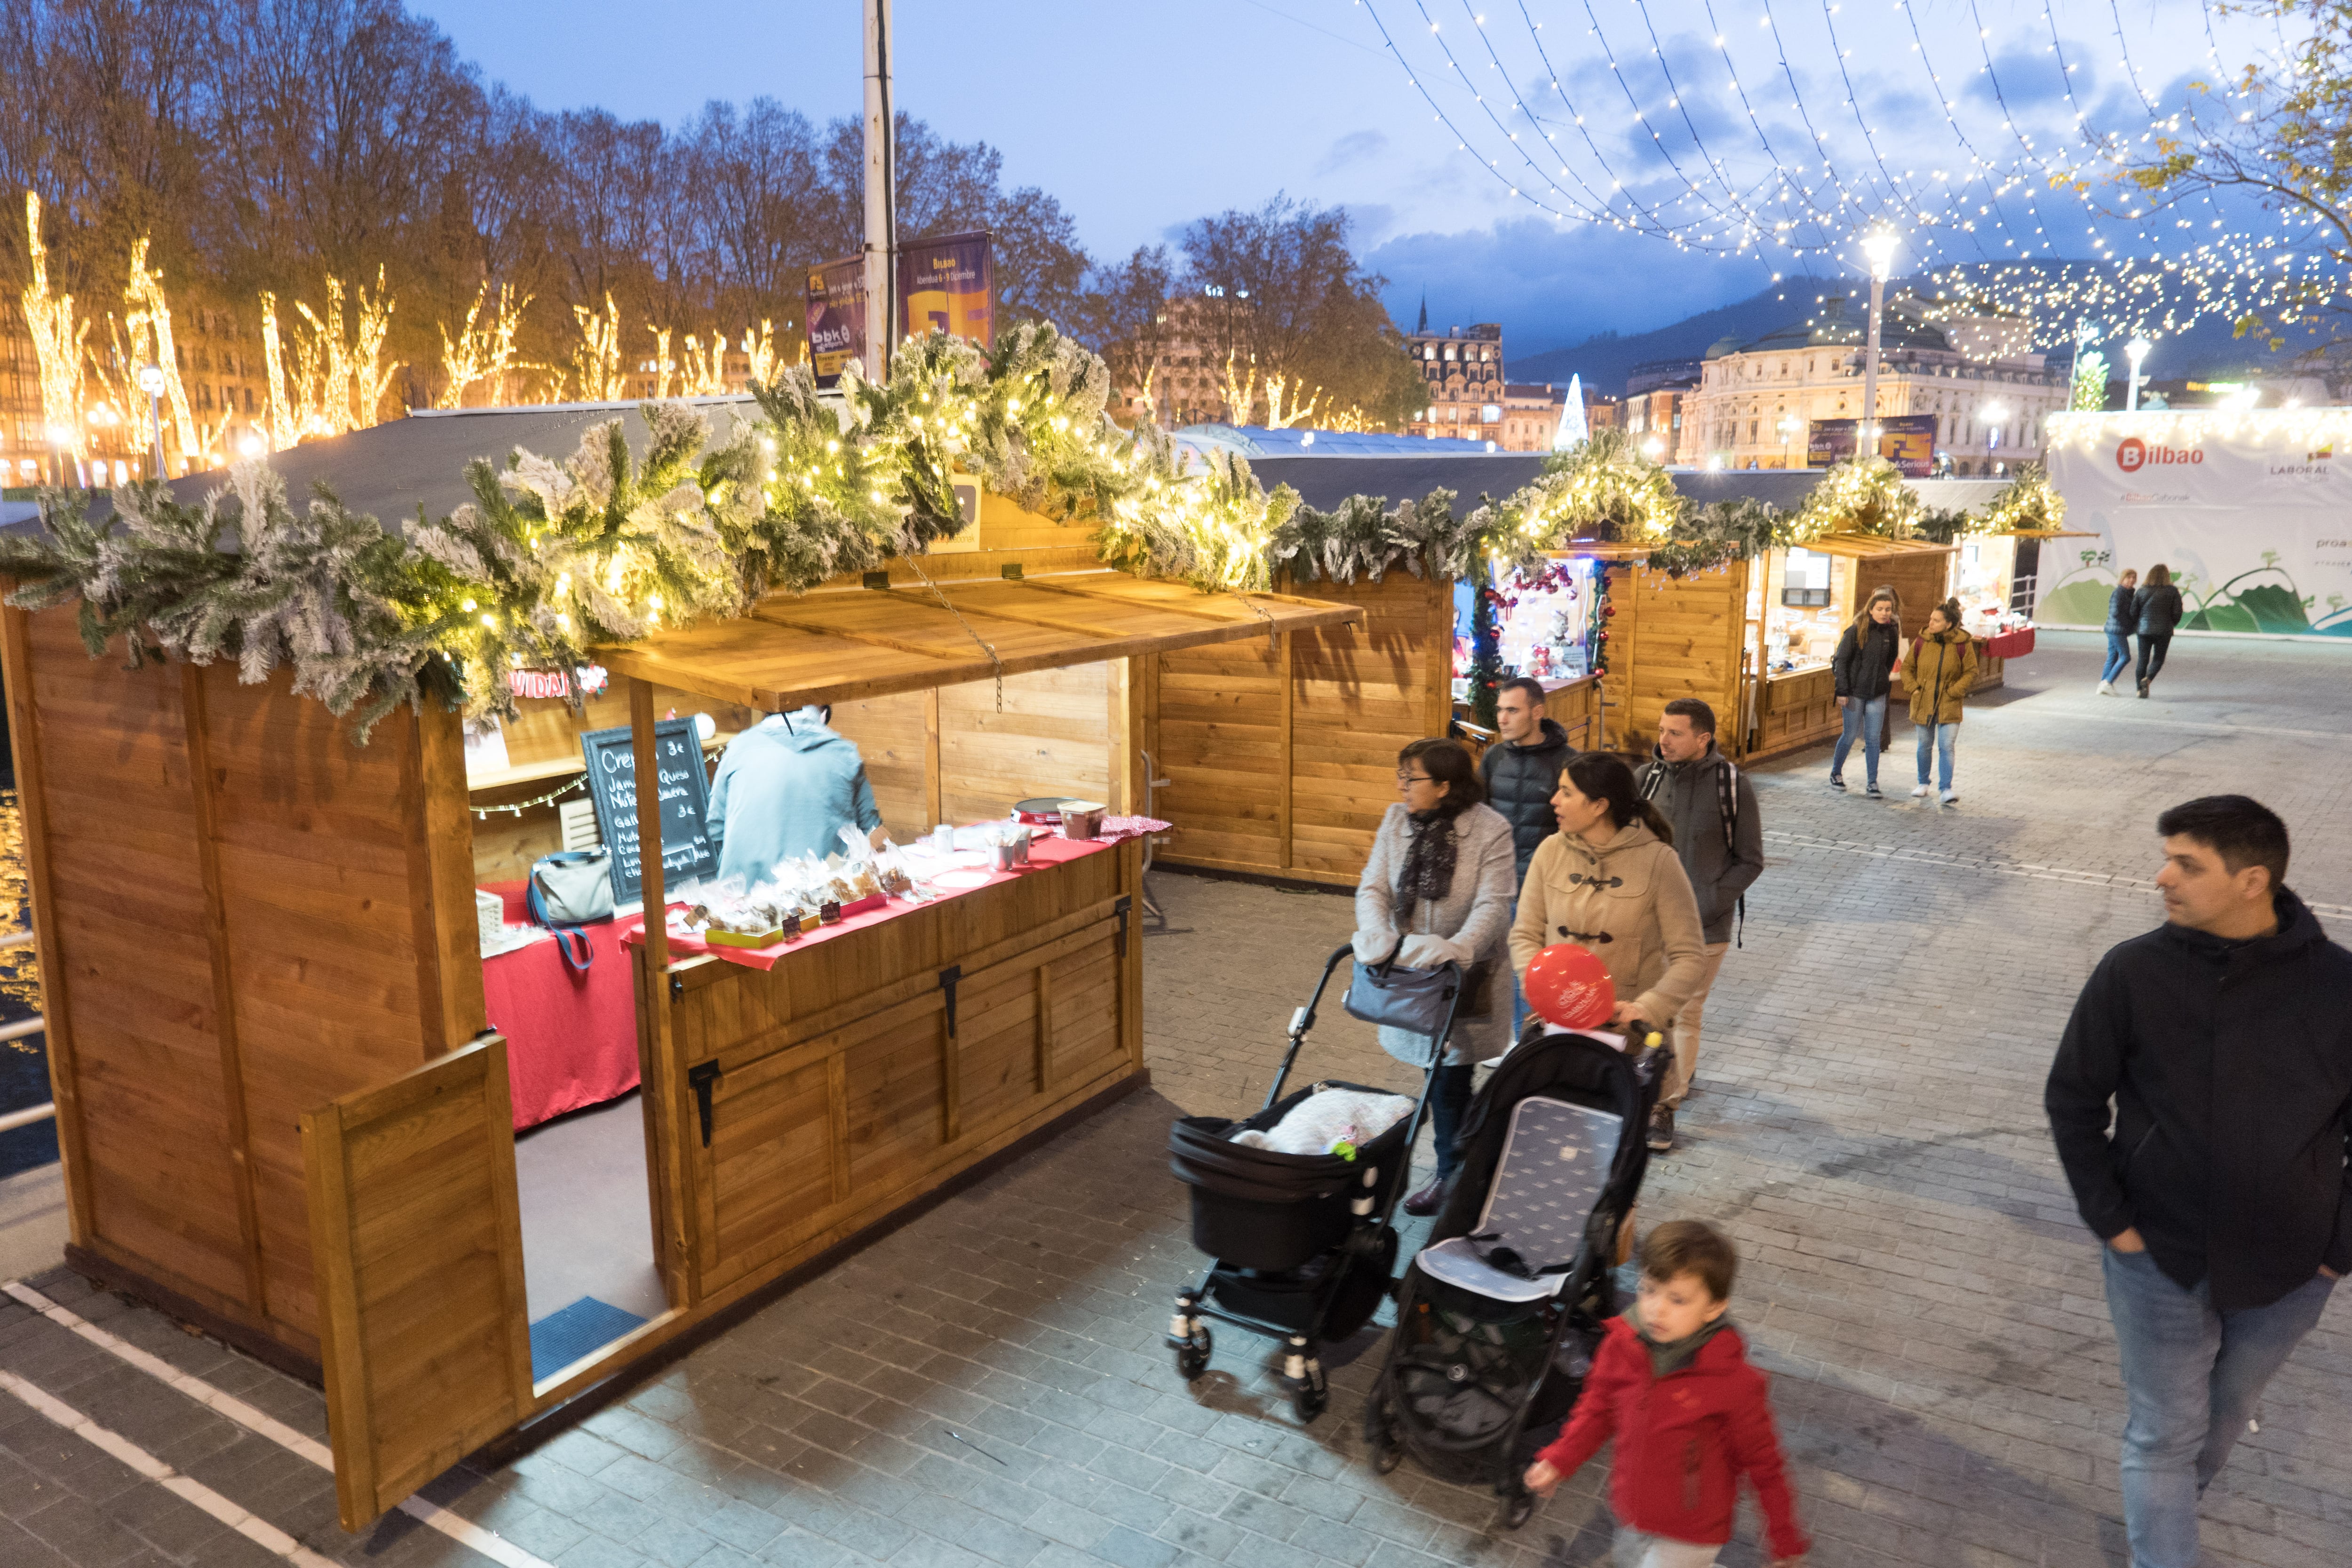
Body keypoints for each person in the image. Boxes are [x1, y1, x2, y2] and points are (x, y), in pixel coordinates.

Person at [2044, 796, 2349, 1568]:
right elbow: (2074, 1096)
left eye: (2187, 863)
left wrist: (2338, 1249)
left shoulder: (2340, 986)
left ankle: (2170, 1511)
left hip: (2290, 1269)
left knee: (2222, 1416)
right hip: (2157, 1255)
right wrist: (2114, 1221)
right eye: (2167, 856)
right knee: (2164, 1430)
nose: (2162, 876)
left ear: (2253, 879)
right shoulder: (2133, 969)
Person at [1523, 1221, 1811, 1568]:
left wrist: (1785, 1538)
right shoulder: (1621, 1345)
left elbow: (1765, 1465)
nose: (1657, 1309)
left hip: (1693, 1530)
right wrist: (1560, 1458)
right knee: (1632, 1559)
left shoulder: (1734, 1383)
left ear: (1715, 1307)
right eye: (1649, 1289)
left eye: (1678, 1299)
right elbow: (1597, 1409)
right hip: (1632, 1508)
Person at [1512, 752, 1709, 1153]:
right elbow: (1524, 934)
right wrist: (1540, 990)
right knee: (1548, 1153)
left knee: (1615, 1167)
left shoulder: (1659, 861)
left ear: (1599, 805)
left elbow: (1691, 956)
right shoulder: (1550, 851)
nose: (1554, 800)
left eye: (1567, 792)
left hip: (1627, 1044)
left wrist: (1648, 1009)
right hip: (1556, 1036)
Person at [1354, 737, 1517, 1217]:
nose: (1402, 787)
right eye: (1400, 776)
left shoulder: (1491, 831)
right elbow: (1373, 886)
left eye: (1412, 778)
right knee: (1438, 1078)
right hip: (1407, 975)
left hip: (1465, 979)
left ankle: (1454, 1179)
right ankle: (1465, 1170)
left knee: (1447, 1080)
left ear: (1445, 786)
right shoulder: (1394, 821)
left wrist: (1456, 949)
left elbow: (1492, 905)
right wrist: (1378, 934)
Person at [1636, 700, 1763, 1152]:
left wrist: (1707, 903)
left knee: (1684, 1011)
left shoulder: (1733, 785)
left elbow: (1750, 859)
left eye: (1675, 732)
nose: (1664, 739)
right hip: (1646, 924)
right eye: (1662, 730)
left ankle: (1663, 1107)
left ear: (1703, 738)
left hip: (1706, 926)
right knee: (1647, 1007)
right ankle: (1652, 1079)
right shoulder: (1645, 779)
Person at [1481, 676, 1578, 1027]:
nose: (1502, 719)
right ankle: (1509, 1040)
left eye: (1512, 710)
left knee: (1538, 973)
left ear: (1537, 712)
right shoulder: (1493, 757)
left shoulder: (1568, 762)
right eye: (1500, 710)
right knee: (1500, 968)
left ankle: (1530, 1046)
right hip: (1499, 886)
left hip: (1545, 891)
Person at [707, 704, 887, 883]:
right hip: (822, 899)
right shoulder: (845, 754)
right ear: (823, 714)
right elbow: (874, 834)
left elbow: (716, 828)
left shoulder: (738, 748)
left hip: (743, 899)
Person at [1901, 599, 1976, 806]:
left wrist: (1955, 691)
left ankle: (1946, 789)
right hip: (1923, 701)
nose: (1930, 623)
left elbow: (1971, 672)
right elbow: (1907, 668)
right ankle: (1923, 783)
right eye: (1931, 619)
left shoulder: (1963, 644)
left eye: (1936, 621)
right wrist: (1914, 689)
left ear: (1949, 624)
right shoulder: (1921, 641)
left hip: (1949, 702)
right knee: (1924, 745)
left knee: (1947, 745)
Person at [1828, 586, 1901, 796]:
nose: (1885, 613)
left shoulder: (1891, 632)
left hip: (1877, 692)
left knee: (1873, 738)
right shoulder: (1855, 631)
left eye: (1888, 609)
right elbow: (1841, 662)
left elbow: (1890, 661)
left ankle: (1872, 782)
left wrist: (1881, 680)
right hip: (1853, 692)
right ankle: (1836, 773)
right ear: (1871, 609)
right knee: (1850, 735)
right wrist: (1842, 690)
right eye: (1880, 609)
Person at [2134, 563, 2185, 698]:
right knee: (2158, 659)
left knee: (2142, 660)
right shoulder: (2173, 591)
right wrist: (2171, 624)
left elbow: (2133, 612)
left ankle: (2140, 690)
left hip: (2144, 631)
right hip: (2164, 631)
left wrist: (2139, 624)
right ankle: (2148, 680)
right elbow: (2178, 612)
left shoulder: (2141, 590)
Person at [2100, 568, 2139, 695]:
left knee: (2113, 656)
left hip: (2114, 629)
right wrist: (2130, 623)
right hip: (2116, 630)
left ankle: (2103, 684)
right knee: (2125, 657)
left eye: (2134, 578)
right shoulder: (2119, 593)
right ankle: (2108, 683)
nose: (2132, 580)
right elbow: (2116, 612)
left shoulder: (2128, 593)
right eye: (2129, 577)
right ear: (2122, 579)